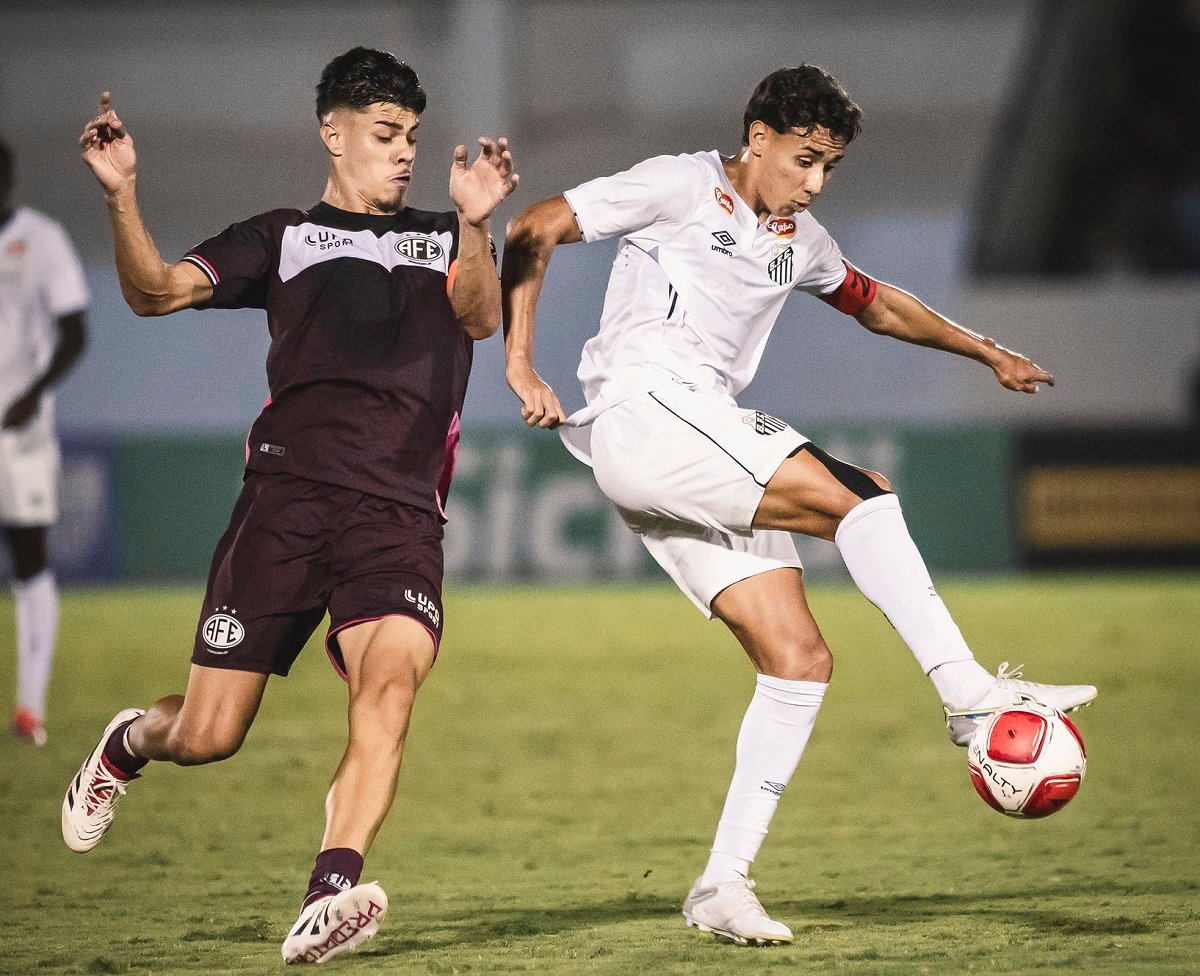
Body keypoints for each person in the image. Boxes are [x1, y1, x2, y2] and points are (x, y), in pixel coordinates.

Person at [502, 65, 1097, 946]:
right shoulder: (677, 185)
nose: (815, 183)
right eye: (805, 158)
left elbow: (878, 305)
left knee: (798, 661)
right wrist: (519, 361)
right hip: (647, 409)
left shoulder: (799, 238)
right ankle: (968, 697)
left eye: (830, 168)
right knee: (862, 495)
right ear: (758, 134)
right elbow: (532, 226)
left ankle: (722, 886)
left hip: (690, 441)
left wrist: (987, 351)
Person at [63, 47, 517, 965]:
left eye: (412, 139)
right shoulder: (283, 237)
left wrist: (476, 226)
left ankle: (329, 893)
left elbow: (479, 317)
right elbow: (153, 293)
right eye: (385, 135)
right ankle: (129, 742)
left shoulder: (447, 233)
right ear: (333, 132)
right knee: (208, 733)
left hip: (396, 519)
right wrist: (120, 195)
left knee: (390, 689)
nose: (402, 154)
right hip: (285, 504)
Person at [0, 138, 88, 747]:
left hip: (20, 429)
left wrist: (35, 392)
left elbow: (75, 331)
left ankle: (29, 707)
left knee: (28, 561)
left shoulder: (43, 239)